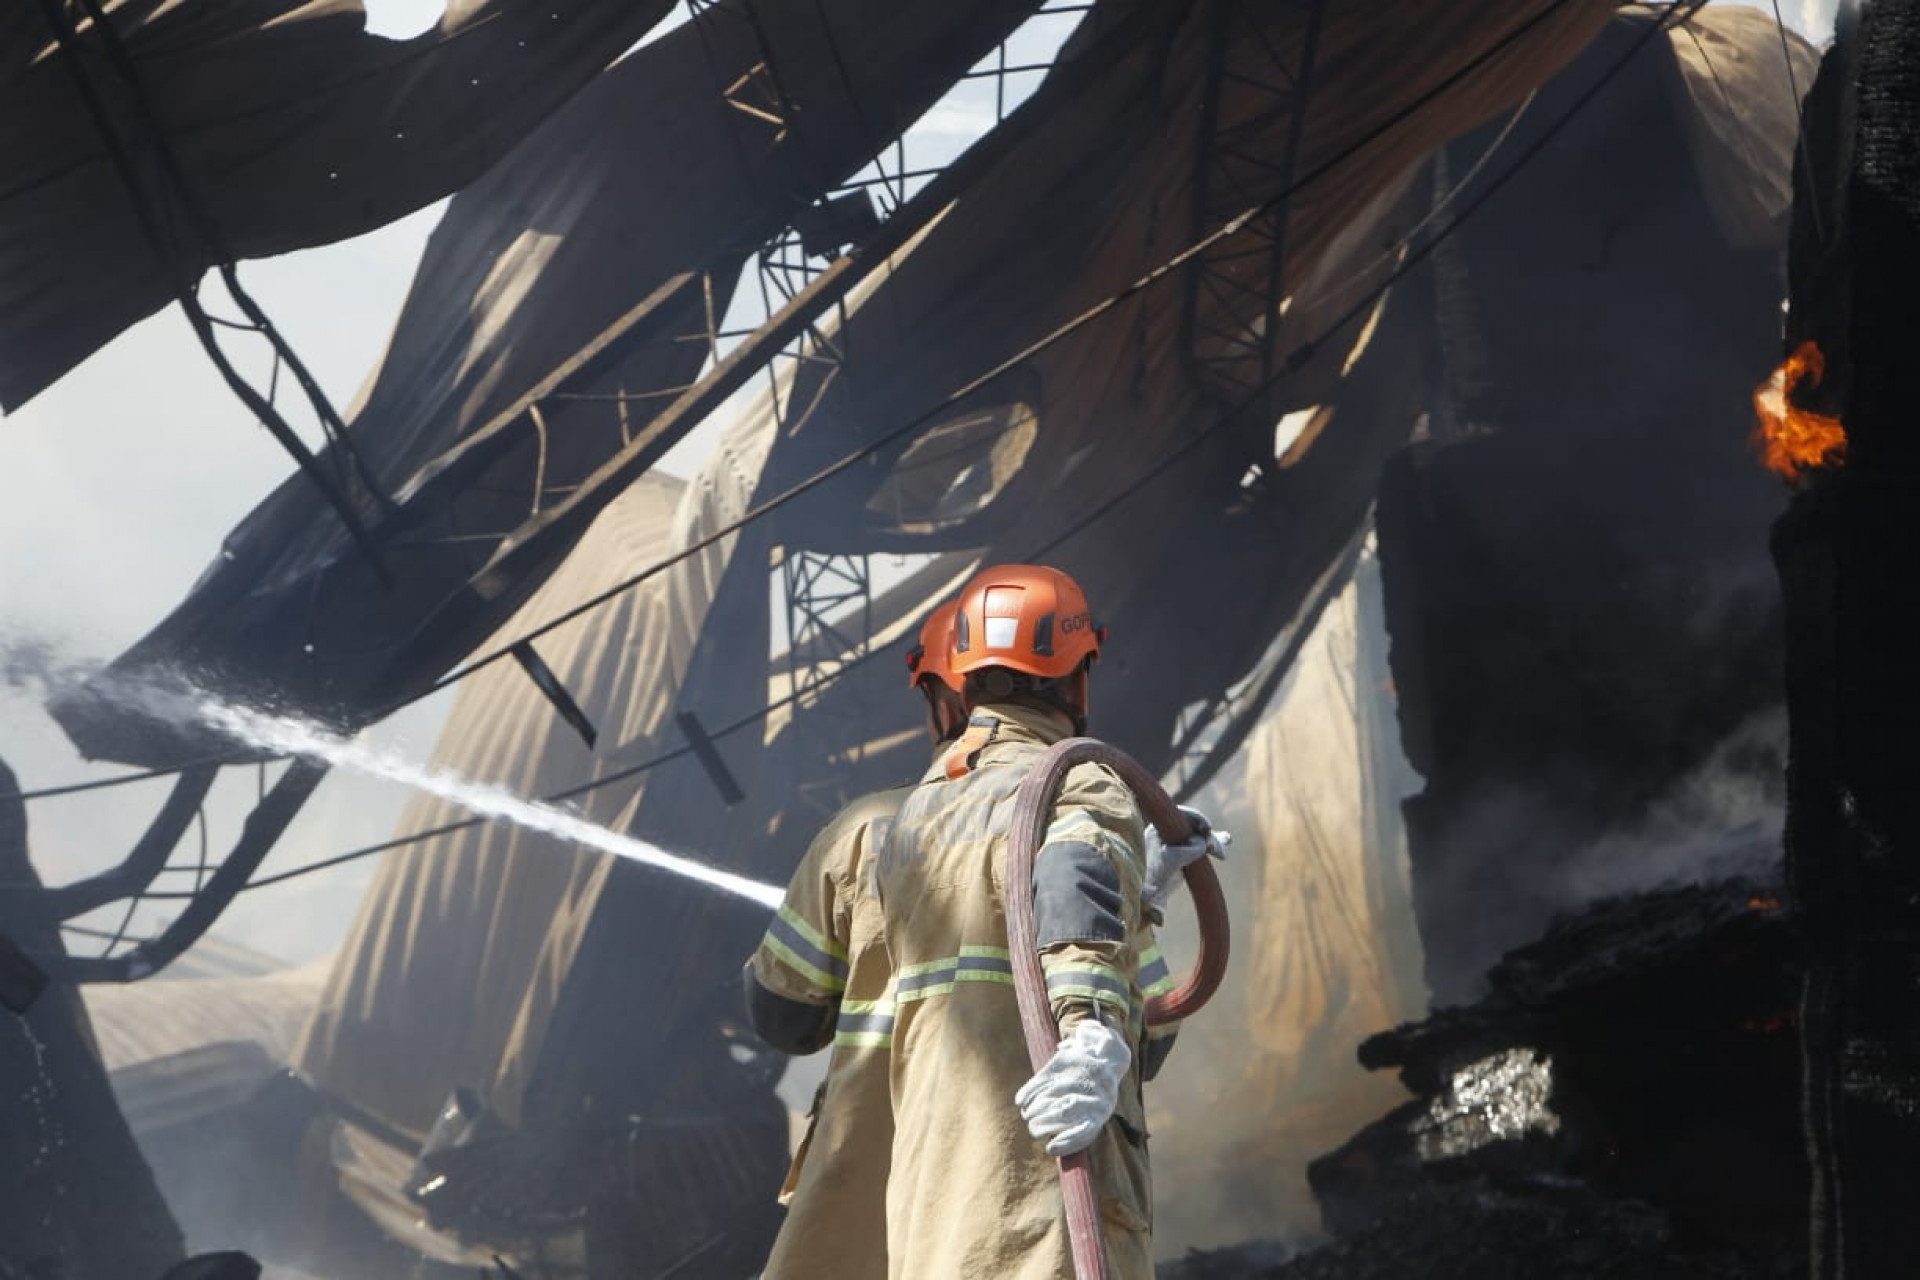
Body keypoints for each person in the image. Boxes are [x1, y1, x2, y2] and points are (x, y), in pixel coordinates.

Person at [873, 564, 1224, 1280]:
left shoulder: (918, 815)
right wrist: (1090, 1028)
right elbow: (1070, 881)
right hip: (1040, 1206)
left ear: (962, 683)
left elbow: (1029, 922)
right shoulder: (1078, 780)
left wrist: (1142, 893)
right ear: (1079, 678)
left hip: (935, 1212)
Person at [742, 599, 969, 1280]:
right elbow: (1152, 1038)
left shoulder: (869, 829)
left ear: (943, 702)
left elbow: (783, 1015)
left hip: (885, 1189)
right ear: (1075, 684)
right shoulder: (1094, 829)